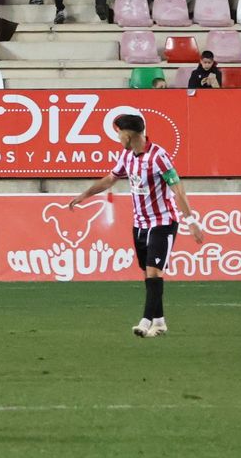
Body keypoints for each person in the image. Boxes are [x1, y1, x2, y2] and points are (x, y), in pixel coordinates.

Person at [66, 113, 204, 338]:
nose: (118, 138)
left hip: (162, 221)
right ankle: (159, 322)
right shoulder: (127, 156)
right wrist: (85, 195)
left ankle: (145, 322)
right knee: (148, 274)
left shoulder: (159, 157)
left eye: (119, 133)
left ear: (128, 135)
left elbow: (178, 189)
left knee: (154, 271)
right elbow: (111, 178)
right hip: (140, 224)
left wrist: (191, 221)